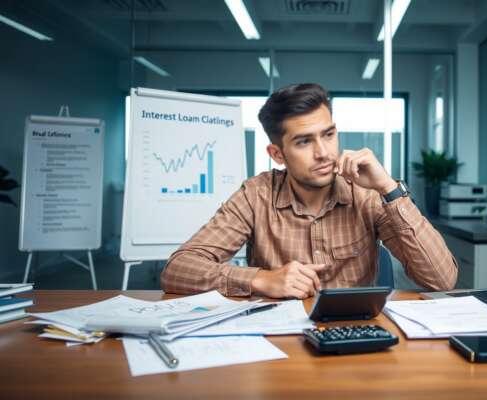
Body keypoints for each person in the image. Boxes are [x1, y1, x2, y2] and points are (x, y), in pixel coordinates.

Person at [160, 83, 457, 299]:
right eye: (304, 142)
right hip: (279, 346)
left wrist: (389, 189)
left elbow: (442, 280)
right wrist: (260, 280)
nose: (324, 153)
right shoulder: (255, 195)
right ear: (277, 154)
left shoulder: (365, 194)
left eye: (328, 135)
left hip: (354, 339)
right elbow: (177, 269)